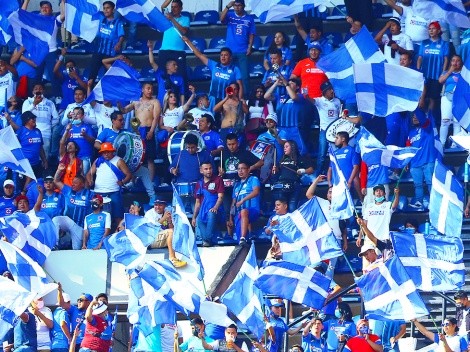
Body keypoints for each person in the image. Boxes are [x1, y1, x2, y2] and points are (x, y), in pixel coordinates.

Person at [182, 36, 243, 108]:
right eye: (221, 55)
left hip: (227, 99)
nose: (223, 57)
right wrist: (188, 41)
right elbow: (199, 55)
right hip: (213, 99)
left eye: (226, 55)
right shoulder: (214, 65)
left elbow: (240, 86)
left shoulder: (235, 69)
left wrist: (239, 100)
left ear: (230, 57)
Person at [306, 175, 348, 277]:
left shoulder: (341, 206)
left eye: (334, 192)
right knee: (318, 266)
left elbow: (343, 227)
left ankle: (329, 290)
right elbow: (308, 194)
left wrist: (345, 242)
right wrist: (316, 180)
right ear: (327, 194)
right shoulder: (322, 203)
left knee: (330, 269)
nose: (331, 194)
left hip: (336, 240)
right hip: (322, 239)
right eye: (330, 192)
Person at [120, 82, 161, 186]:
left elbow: (156, 117)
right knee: (135, 157)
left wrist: (151, 131)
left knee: (150, 158)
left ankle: (150, 182)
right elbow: (124, 110)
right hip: (137, 131)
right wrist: (118, 104)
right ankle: (132, 181)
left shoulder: (155, 102)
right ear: (142, 90)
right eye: (148, 88)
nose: (150, 90)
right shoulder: (135, 102)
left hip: (148, 129)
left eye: (151, 88)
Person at [87, 142, 132, 226]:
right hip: (98, 192)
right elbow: (89, 174)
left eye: (108, 151)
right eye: (104, 152)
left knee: (117, 215)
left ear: (112, 151)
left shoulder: (119, 161)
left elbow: (128, 175)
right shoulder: (98, 161)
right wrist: (90, 181)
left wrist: (122, 182)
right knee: (96, 214)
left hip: (113, 191)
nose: (106, 154)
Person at [220, 0, 256, 98]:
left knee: (244, 77)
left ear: (243, 6)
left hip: (242, 51)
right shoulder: (230, 15)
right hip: (229, 52)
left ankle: (245, 98)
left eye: (239, 5)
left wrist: (250, 47)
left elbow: (252, 33)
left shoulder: (249, 18)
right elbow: (221, 19)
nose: (236, 7)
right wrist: (228, 7)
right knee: (228, 75)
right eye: (235, 6)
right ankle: (227, 96)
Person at [265, 77, 309, 155]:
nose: (289, 84)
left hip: (294, 129)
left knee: (301, 151)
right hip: (281, 128)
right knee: (280, 150)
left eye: (292, 83)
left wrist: (286, 84)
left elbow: (294, 97)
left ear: (298, 87)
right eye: (289, 82)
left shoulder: (300, 96)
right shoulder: (280, 96)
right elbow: (266, 96)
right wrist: (276, 83)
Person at [52, 171, 93, 250]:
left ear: (82, 184)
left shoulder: (89, 194)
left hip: (80, 226)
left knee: (76, 249)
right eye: (72, 182)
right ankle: (55, 244)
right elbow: (56, 181)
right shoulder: (68, 191)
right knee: (56, 219)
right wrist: (59, 170)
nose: (72, 184)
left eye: (76, 183)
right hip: (69, 221)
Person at [87, 1, 125, 85]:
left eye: (108, 8)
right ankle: (89, 96)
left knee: (108, 79)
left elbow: (121, 35)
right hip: (98, 52)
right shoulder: (101, 19)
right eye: (104, 8)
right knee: (91, 78)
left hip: (110, 54)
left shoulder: (118, 22)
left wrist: (119, 43)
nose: (105, 10)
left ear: (113, 10)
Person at [272, 140, 313, 212]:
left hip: (294, 185)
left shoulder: (299, 158)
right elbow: (278, 172)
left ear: (293, 147)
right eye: (284, 147)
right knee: (281, 209)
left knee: (292, 208)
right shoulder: (282, 159)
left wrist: (303, 171)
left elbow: (311, 169)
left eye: (287, 146)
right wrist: (275, 170)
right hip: (282, 185)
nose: (284, 148)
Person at [407, 108, 437, 209]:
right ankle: (419, 202)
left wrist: (415, 107)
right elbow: (408, 148)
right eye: (413, 116)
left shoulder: (427, 127)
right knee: (418, 185)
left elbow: (422, 118)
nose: (415, 118)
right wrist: (407, 162)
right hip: (415, 163)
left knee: (430, 183)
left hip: (428, 161)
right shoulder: (410, 132)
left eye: (417, 116)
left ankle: (434, 202)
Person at [22, 83, 60, 161]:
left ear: (44, 91)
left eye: (40, 88)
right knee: (33, 155)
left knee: (45, 157)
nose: (38, 90)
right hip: (31, 133)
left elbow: (56, 118)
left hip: (46, 133)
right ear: (33, 91)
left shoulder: (50, 103)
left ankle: (44, 172)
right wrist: (34, 104)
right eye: (36, 89)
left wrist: (49, 125)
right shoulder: (28, 101)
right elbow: (24, 115)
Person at [144, 199, 187, 268]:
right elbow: (152, 228)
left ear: (164, 206)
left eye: (160, 205)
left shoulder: (167, 212)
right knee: (169, 232)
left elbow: (173, 229)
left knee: (177, 233)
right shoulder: (149, 213)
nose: (157, 207)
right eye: (156, 205)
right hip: (151, 239)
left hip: (162, 238)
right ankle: (172, 258)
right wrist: (164, 218)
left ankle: (186, 257)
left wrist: (169, 221)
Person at [417, 21, 449, 112]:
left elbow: (446, 59)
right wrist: (418, 70)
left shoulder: (444, 44)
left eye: (433, 28)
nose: (431, 31)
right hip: (424, 74)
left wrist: (443, 73)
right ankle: (421, 119)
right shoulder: (424, 42)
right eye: (429, 29)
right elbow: (420, 58)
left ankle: (430, 119)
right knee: (421, 97)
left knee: (432, 98)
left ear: (438, 31)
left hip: (436, 75)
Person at [192, 161, 225, 247]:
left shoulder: (218, 179)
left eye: (210, 168)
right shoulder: (199, 184)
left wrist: (215, 208)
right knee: (199, 220)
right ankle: (210, 240)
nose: (209, 171)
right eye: (206, 169)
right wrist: (194, 217)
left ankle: (208, 239)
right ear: (201, 170)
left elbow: (220, 197)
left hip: (216, 211)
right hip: (203, 211)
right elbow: (197, 202)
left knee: (211, 213)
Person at [228, 162, 260, 245]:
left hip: (253, 210)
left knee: (244, 211)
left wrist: (243, 200)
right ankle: (242, 241)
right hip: (239, 214)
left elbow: (256, 192)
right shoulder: (236, 185)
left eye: (243, 168)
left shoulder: (253, 179)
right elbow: (233, 202)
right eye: (238, 169)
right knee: (240, 241)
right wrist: (230, 217)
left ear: (248, 169)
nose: (240, 171)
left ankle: (243, 238)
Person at [313, 81, 341, 176]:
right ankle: (318, 174)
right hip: (324, 131)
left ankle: (335, 174)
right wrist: (305, 95)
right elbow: (311, 101)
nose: (332, 91)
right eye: (329, 90)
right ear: (324, 92)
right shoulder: (320, 101)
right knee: (322, 154)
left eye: (332, 89)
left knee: (336, 153)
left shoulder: (337, 101)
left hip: (336, 132)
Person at [159, 0, 190, 83]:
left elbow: (184, 31)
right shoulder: (166, 16)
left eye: (175, 7)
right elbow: (163, 7)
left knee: (181, 75)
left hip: (178, 51)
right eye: (172, 7)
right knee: (163, 74)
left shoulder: (185, 18)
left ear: (181, 8)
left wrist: (172, 19)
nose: (173, 9)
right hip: (164, 50)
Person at [13, 111, 48, 180]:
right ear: (26, 120)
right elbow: (14, 147)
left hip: (36, 164)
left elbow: (40, 147)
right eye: (32, 118)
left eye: (34, 118)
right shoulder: (21, 131)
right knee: (24, 187)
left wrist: (44, 160)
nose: (34, 120)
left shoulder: (38, 131)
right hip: (25, 166)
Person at [61, 106, 96, 174]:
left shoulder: (88, 127)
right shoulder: (68, 127)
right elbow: (62, 143)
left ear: (83, 116)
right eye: (74, 114)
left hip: (85, 156)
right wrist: (67, 133)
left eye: (78, 114)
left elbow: (93, 142)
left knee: (83, 177)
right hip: (70, 157)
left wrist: (86, 135)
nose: (75, 116)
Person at [439, 55, 463, 148]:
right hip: (447, 97)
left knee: (457, 122)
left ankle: (455, 144)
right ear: (450, 62)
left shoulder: (464, 73)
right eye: (453, 60)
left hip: (460, 99)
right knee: (445, 121)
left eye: (457, 61)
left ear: (461, 63)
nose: (455, 63)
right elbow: (440, 80)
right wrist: (450, 71)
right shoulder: (446, 72)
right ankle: (442, 143)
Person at [327, 131, 360, 197]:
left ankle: (361, 200)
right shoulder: (334, 153)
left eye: (337, 138)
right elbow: (330, 169)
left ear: (343, 139)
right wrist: (330, 184)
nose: (335, 140)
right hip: (336, 184)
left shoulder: (352, 150)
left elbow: (356, 167)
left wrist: (350, 182)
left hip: (348, 183)